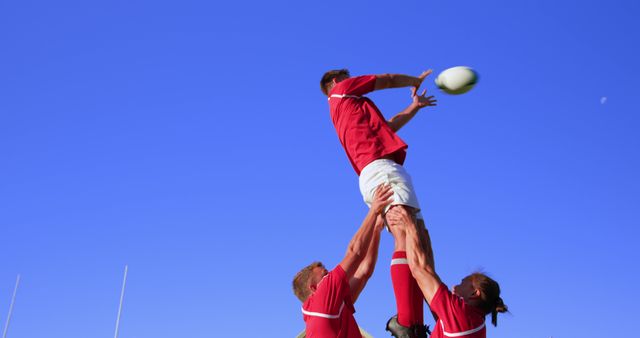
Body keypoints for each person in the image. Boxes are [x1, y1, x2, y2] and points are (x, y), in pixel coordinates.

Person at [320, 69, 437, 335]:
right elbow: (387, 80)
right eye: (348, 76)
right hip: (381, 171)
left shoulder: (349, 111)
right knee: (406, 235)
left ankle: (415, 322)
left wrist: (414, 107)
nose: (353, 79)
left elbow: (389, 125)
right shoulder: (342, 90)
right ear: (337, 82)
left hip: (380, 170)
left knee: (419, 240)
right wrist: (415, 81)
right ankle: (407, 322)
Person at [386, 207, 509, 338]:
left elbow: (419, 270)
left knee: (402, 242)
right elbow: (432, 294)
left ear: (474, 293)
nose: (454, 287)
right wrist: (425, 248)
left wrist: (410, 226)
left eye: (463, 283)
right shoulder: (473, 322)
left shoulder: (462, 315)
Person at [292, 184, 393, 338]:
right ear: (313, 288)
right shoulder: (322, 300)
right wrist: (373, 210)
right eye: (325, 275)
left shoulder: (332, 307)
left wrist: (376, 229)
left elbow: (364, 271)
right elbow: (355, 253)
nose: (331, 274)